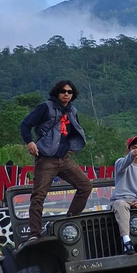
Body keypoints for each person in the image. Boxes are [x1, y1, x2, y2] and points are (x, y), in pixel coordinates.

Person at [20, 80, 92, 242]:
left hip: (64, 158)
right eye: (62, 91)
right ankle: (34, 234)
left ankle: (68, 221)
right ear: (56, 92)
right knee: (38, 196)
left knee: (85, 186)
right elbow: (25, 124)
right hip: (46, 159)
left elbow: (75, 130)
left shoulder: (72, 111)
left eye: (69, 92)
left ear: (73, 95)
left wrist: (72, 145)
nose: (66, 94)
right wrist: (29, 142)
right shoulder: (46, 107)